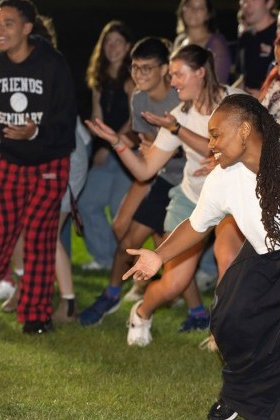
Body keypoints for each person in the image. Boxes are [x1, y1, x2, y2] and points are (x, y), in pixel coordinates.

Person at [124, 93, 280, 419]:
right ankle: (243, 403)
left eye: (216, 134)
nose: (210, 144)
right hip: (271, 248)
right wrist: (158, 255)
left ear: (243, 130)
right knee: (232, 316)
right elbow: (197, 225)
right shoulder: (223, 178)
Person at [86, 44, 244, 344]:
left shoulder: (234, 103)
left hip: (230, 203)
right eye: (171, 75)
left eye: (178, 75)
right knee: (174, 283)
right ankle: (141, 312)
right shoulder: (177, 115)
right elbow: (145, 171)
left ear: (200, 72)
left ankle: (220, 332)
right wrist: (118, 142)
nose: (173, 83)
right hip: (191, 199)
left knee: (229, 261)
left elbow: (252, 146)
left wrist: (222, 154)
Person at [0, 0, 76, 334]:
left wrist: (35, 131)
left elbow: (66, 124)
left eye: (8, 23)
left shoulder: (53, 65)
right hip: (10, 162)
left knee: (39, 239)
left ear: (27, 28)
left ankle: (35, 317)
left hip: (50, 162)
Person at [78, 36, 183, 326]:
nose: (139, 75)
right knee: (128, 236)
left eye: (147, 68)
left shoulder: (181, 96)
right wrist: (134, 146)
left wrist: (157, 152)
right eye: (136, 68)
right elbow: (147, 146)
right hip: (158, 174)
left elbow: (192, 144)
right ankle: (113, 293)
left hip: (187, 178)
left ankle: (195, 309)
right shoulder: (138, 97)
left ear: (165, 69)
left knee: (170, 245)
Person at [79, 20, 135, 271]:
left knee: (119, 209)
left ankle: (123, 261)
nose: (112, 47)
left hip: (129, 151)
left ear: (127, 47)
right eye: (108, 42)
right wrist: (97, 145)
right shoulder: (99, 79)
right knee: (86, 202)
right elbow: (96, 115)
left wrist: (112, 144)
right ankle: (105, 258)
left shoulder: (133, 77)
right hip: (106, 152)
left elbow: (136, 118)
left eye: (118, 42)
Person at [174, 0, 231, 84]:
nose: (194, 10)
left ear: (208, 15)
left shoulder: (216, 43)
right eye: (189, 5)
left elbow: (219, 82)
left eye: (200, 7)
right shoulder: (180, 41)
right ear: (182, 9)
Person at [235, 0, 276, 96]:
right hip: (249, 106)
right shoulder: (246, 37)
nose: (246, 4)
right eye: (243, 0)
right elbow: (244, 79)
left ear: (269, 2)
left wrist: (265, 97)